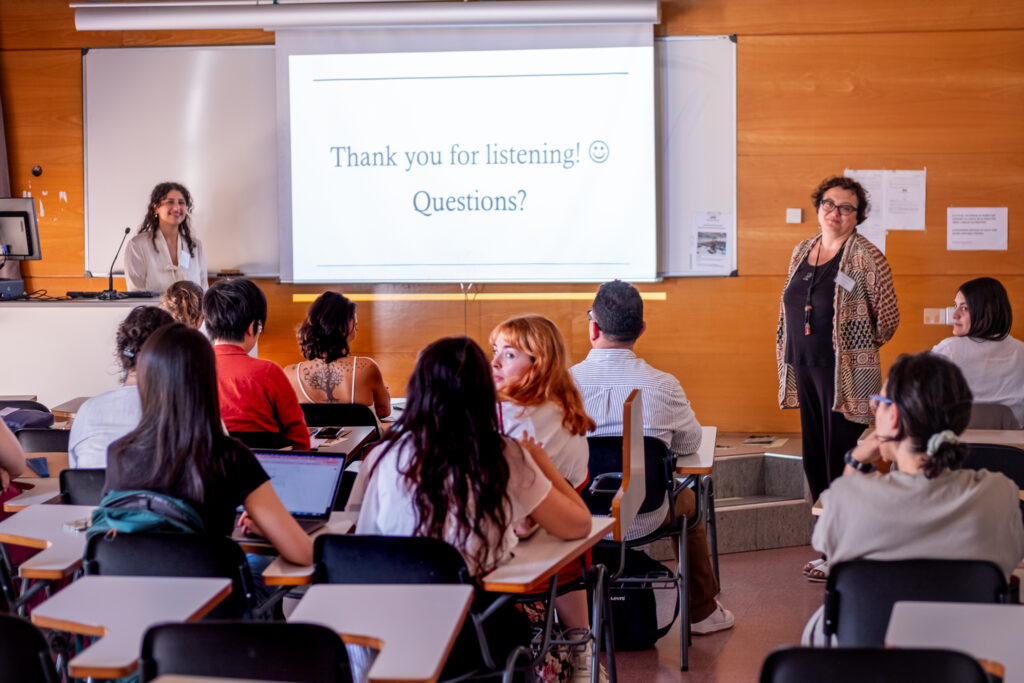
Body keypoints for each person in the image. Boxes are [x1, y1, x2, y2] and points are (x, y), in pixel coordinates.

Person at [352, 336, 592, 678]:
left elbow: (354, 525)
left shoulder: (381, 454)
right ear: (485, 393)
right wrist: (540, 461)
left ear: (418, 388)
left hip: (384, 630)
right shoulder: (501, 454)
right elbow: (580, 525)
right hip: (469, 637)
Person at [802, 351, 1024, 645]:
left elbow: (828, 548)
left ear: (893, 417)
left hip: (870, 655)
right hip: (971, 659)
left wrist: (855, 461)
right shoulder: (999, 494)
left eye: (878, 403)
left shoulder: (849, 498)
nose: (873, 408)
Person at [570, 280, 732, 635]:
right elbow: (689, 443)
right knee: (690, 500)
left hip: (577, 518)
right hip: (645, 515)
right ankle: (702, 612)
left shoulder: (562, 385)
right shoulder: (664, 385)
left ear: (593, 326)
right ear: (641, 329)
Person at [103, 323, 312, 564]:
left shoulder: (118, 453)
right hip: (215, 597)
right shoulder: (230, 456)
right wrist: (267, 529)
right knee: (262, 563)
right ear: (208, 380)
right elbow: (303, 554)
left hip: (133, 596)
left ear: (146, 380)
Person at [776, 176, 899, 578]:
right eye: (828, 204)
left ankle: (849, 550)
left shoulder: (867, 256)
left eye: (846, 207)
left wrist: (857, 346)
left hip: (844, 374)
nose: (835, 212)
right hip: (804, 367)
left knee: (841, 459)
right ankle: (831, 546)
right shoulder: (801, 250)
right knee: (814, 459)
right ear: (817, 208)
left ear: (858, 216)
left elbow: (889, 319)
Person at [203, 278, 310, 449]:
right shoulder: (268, 372)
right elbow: (299, 437)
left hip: (206, 472)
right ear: (251, 326)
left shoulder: (192, 370)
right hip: (270, 471)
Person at [489, 314, 593, 490]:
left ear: (539, 363)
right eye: (495, 351)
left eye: (509, 354)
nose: (495, 362)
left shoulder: (515, 416)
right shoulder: (561, 407)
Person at [68, 305, 174, 468]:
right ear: (172, 355)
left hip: (96, 493)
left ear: (121, 352)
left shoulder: (88, 411)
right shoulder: (190, 411)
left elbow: (76, 473)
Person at [932, 277, 1024, 427]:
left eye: (964, 308)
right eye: (955, 306)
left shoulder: (948, 350)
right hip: (1013, 449)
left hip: (956, 447)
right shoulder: (1022, 352)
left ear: (986, 311)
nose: (954, 314)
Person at [284, 291, 390, 419]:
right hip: (364, 439)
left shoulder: (289, 373)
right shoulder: (367, 368)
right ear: (345, 326)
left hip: (310, 439)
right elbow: (384, 410)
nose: (356, 326)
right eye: (355, 322)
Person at [124, 182, 208, 294]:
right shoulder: (138, 245)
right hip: (154, 311)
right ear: (156, 208)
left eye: (181, 202)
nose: (177, 207)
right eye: (170, 202)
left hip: (192, 312)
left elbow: (204, 290)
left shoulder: (195, 246)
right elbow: (136, 293)